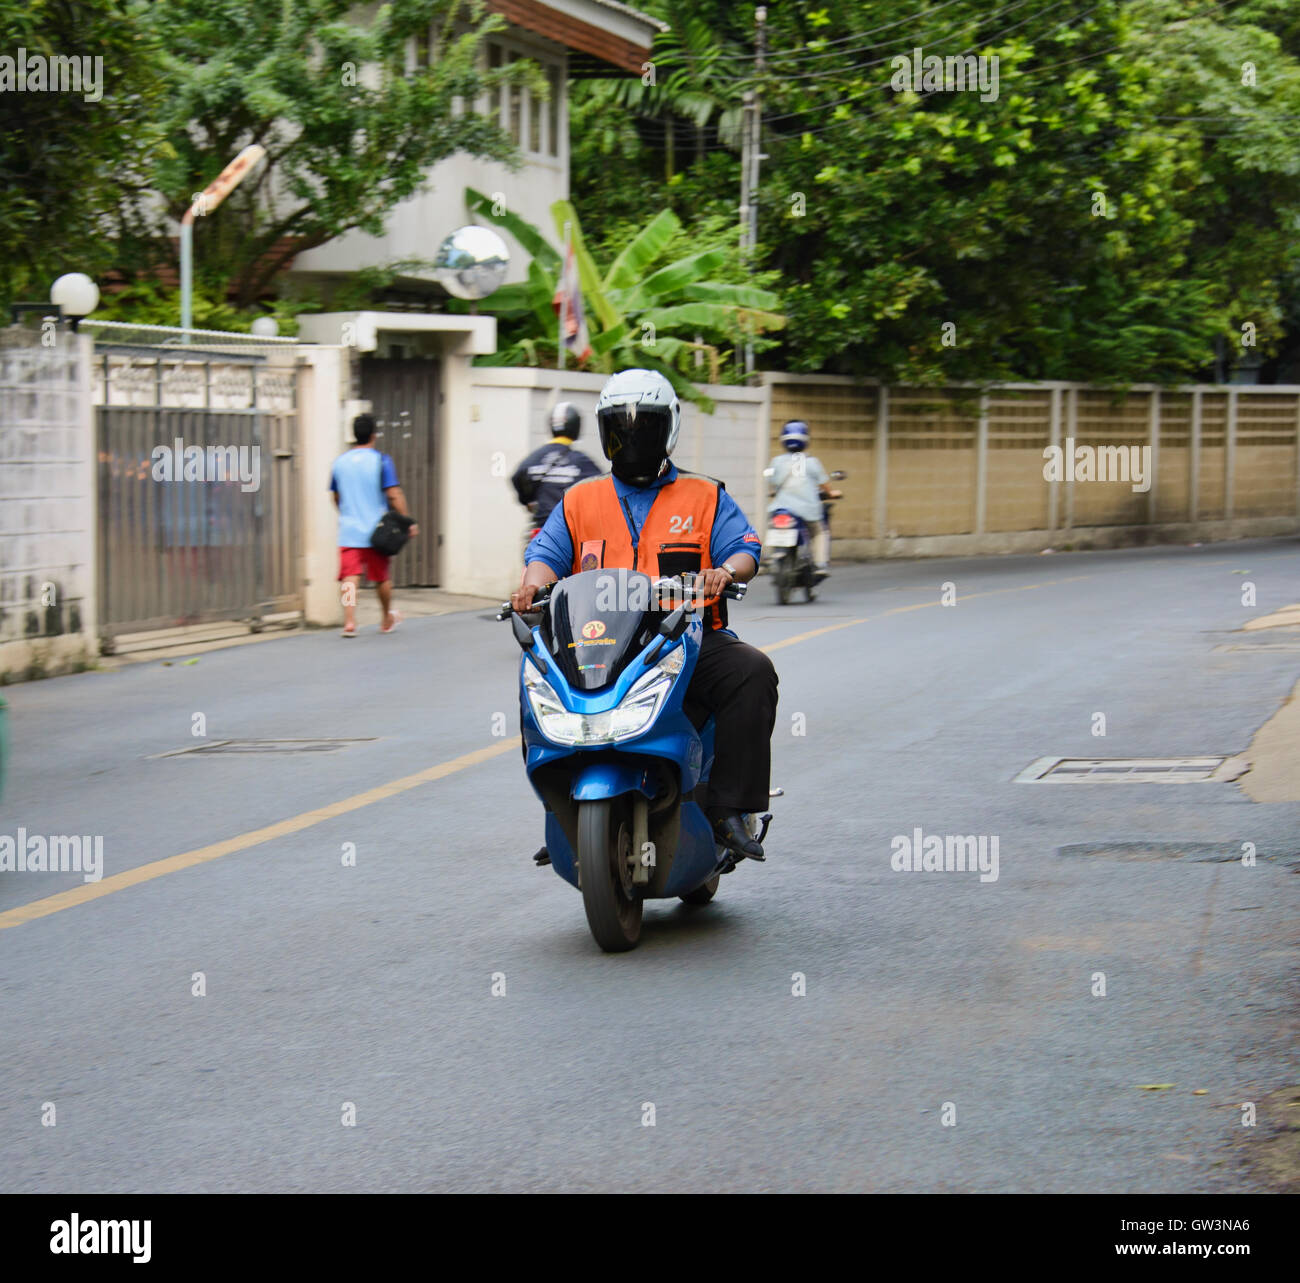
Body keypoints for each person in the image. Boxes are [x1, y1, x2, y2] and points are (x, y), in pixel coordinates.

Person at [512, 369, 778, 860]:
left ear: (668, 430)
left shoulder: (705, 495)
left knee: (752, 672)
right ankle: (561, 808)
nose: (631, 439)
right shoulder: (579, 499)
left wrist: (724, 571)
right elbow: (545, 554)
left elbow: (744, 548)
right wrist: (531, 587)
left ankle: (730, 809)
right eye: (620, 428)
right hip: (601, 640)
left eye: (643, 428)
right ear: (604, 431)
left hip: (685, 638)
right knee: (535, 676)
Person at [329, 413, 417, 637]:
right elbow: (394, 494)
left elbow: (336, 497)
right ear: (373, 435)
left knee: (350, 578)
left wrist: (347, 513)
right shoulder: (381, 460)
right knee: (381, 577)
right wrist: (406, 521)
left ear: (354, 435)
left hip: (349, 531)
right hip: (376, 531)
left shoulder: (339, 463)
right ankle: (386, 618)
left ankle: (350, 622)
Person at [510, 401, 602, 530]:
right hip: (567, 532)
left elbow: (517, 477)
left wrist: (528, 501)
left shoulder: (533, 459)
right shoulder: (581, 462)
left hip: (540, 532)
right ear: (576, 427)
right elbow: (603, 489)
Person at [767, 420, 841, 579]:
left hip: (781, 507)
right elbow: (824, 484)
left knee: (772, 524)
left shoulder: (776, 461)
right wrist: (832, 493)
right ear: (805, 440)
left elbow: (772, 482)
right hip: (807, 509)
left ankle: (774, 554)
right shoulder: (812, 462)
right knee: (819, 532)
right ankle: (820, 564)